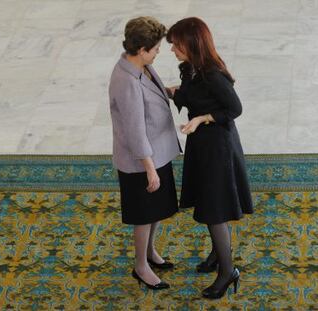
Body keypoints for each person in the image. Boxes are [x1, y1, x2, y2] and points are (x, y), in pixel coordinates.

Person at [166, 17, 254, 299]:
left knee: (215, 208)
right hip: (203, 145)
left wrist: (203, 118)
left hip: (218, 147)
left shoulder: (212, 74)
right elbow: (196, 96)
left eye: (176, 45)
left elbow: (235, 109)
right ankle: (218, 254)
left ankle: (228, 272)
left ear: (191, 44)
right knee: (210, 200)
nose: (172, 50)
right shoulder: (191, 69)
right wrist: (175, 92)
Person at [108, 16, 182, 290]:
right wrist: (149, 169)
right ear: (141, 50)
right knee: (143, 214)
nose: (159, 51)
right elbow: (135, 131)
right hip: (141, 162)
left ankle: (150, 253)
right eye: (155, 48)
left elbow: (151, 95)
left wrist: (170, 92)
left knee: (156, 211)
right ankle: (140, 266)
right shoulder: (126, 81)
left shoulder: (142, 67)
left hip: (156, 154)